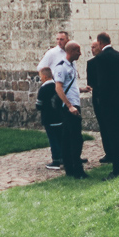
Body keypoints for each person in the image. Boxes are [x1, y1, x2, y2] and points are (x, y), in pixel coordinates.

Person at [86, 34, 119, 176]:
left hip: (108, 102)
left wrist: (101, 100)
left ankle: (117, 168)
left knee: (113, 134)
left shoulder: (100, 59)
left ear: (100, 42)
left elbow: (101, 83)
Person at [37, 30, 72, 169]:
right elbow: (41, 67)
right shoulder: (52, 53)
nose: (59, 42)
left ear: (67, 39)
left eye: (61, 39)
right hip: (56, 89)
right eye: (57, 39)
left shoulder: (69, 52)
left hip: (67, 92)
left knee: (66, 129)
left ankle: (69, 155)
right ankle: (58, 157)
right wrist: (51, 76)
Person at [51, 41, 86, 178]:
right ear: (71, 51)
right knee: (76, 138)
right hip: (69, 107)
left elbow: (70, 86)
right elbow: (58, 87)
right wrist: (69, 105)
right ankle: (77, 168)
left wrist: (82, 89)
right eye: (78, 51)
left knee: (67, 138)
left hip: (74, 104)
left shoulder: (72, 65)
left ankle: (69, 168)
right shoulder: (61, 67)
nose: (80, 53)